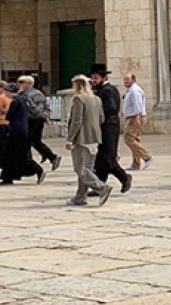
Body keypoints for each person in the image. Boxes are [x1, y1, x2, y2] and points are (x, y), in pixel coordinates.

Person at [65, 75, 113, 206]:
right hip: (95, 137)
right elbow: (101, 118)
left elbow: (77, 120)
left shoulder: (78, 99)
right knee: (87, 168)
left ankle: (102, 188)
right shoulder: (96, 99)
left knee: (80, 168)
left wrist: (70, 138)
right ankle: (80, 197)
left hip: (82, 137)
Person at [90, 64, 132, 194]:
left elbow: (110, 109)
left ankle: (124, 177)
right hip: (104, 126)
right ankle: (100, 187)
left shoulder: (108, 90)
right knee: (100, 158)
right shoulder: (101, 90)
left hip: (108, 127)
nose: (94, 81)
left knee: (107, 157)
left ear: (104, 77)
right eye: (93, 78)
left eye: (96, 78)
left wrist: (97, 115)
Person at [0, 83, 45, 187]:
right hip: (22, 130)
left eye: (6, 91)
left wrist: (3, 112)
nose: (5, 93)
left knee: (16, 154)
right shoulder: (22, 100)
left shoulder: (15, 101)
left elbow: (9, 116)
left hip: (16, 131)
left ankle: (37, 170)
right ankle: (7, 178)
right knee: (12, 155)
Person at [19, 75, 61, 170]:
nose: (20, 84)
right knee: (33, 141)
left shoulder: (35, 94)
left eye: (22, 82)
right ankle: (48, 156)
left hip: (36, 119)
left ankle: (50, 157)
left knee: (31, 141)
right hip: (28, 120)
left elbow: (39, 109)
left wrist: (27, 103)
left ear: (29, 84)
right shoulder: (23, 94)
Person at [121, 73, 152, 170]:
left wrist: (137, 119)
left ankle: (147, 157)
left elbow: (137, 105)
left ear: (133, 79)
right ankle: (136, 163)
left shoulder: (135, 91)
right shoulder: (131, 90)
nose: (125, 81)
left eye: (127, 79)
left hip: (134, 117)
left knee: (128, 138)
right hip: (132, 117)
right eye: (124, 79)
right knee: (135, 139)